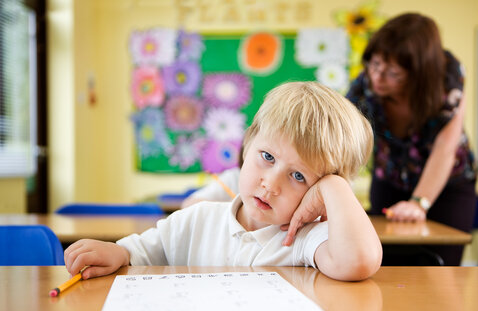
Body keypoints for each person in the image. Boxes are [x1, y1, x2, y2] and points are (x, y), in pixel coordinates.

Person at [65, 81, 382, 281]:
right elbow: (141, 252)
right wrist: (117, 252)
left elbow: (358, 261)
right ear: (247, 144)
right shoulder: (198, 218)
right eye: (267, 157)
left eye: (298, 176)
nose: (270, 184)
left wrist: (335, 187)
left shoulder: (305, 238)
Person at [346, 13, 477, 266]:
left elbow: (445, 148)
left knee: (442, 271)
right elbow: (340, 137)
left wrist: (419, 202)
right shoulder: (365, 84)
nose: (378, 77)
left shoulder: (447, 79)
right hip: (390, 178)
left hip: (447, 184)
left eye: (393, 72)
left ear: (419, 73)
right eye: (374, 64)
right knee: (382, 262)